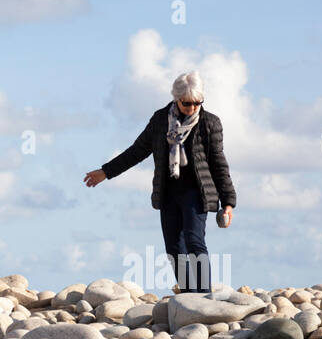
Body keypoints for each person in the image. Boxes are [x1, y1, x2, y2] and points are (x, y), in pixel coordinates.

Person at [83, 71, 236, 295]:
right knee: (174, 247)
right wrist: (106, 172)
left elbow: (219, 164)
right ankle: (188, 295)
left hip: (197, 192)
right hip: (168, 192)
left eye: (197, 103)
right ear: (176, 98)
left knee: (195, 241)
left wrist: (229, 202)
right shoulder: (160, 120)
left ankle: (204, 296)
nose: (192, 108)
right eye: (187, 103)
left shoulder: (210, 123)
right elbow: (137, 151)